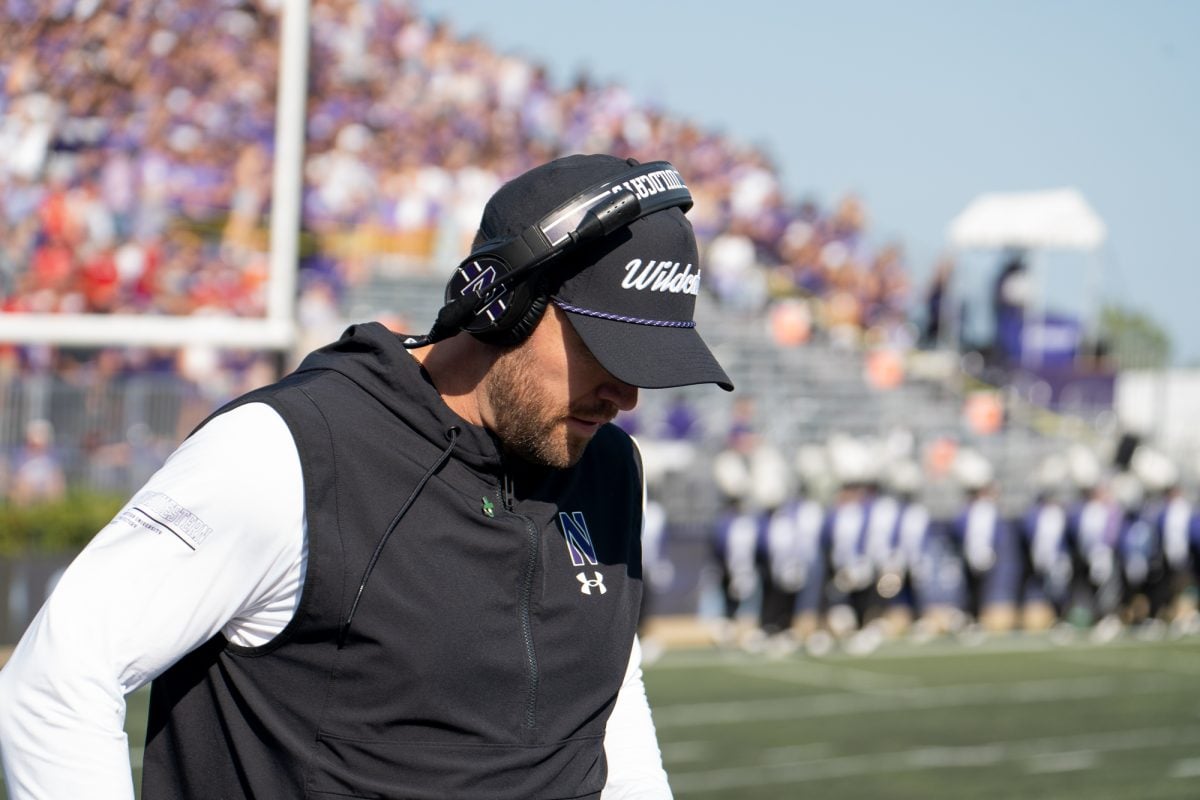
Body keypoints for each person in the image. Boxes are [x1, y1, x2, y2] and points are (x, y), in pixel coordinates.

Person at [0, 154, 733, 800]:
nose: (626, 395)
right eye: (605, 351)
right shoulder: (289, 452)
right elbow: (58, 678)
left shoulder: (605, 466)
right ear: (503, 302)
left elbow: (609, 717)